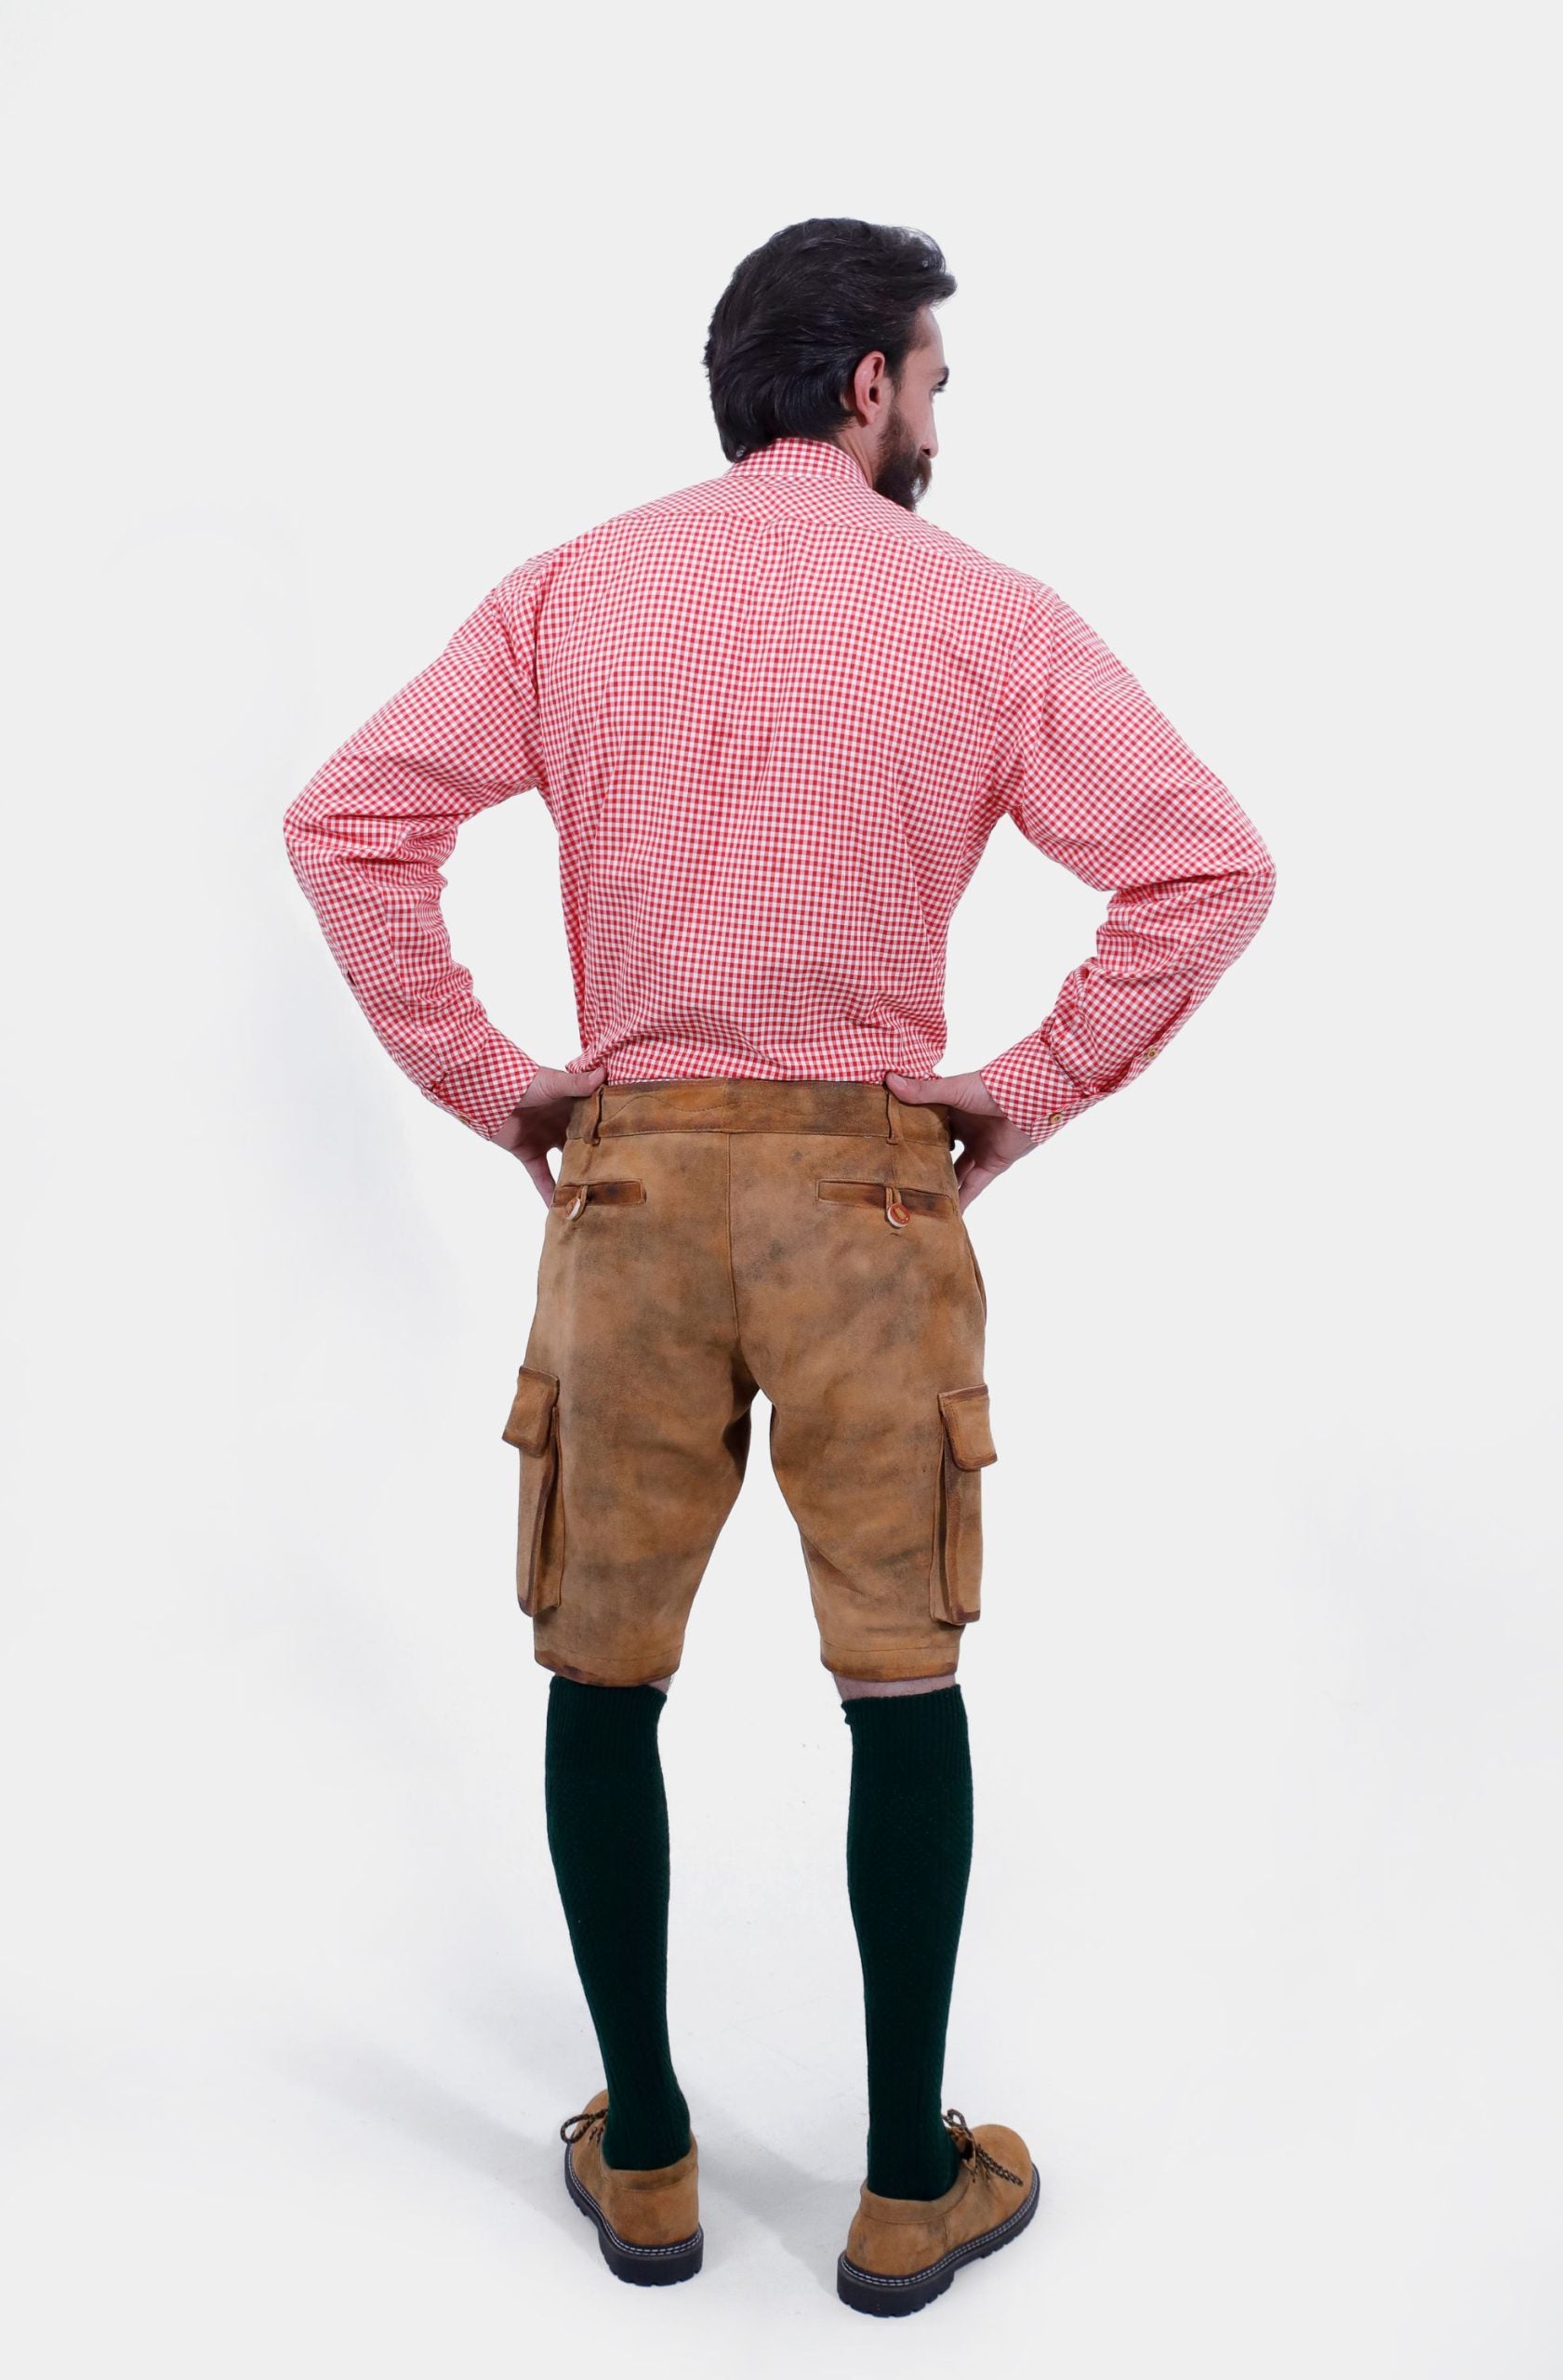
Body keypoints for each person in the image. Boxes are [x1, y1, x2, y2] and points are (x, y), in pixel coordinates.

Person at [282, 215, 1276, 2316]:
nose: (935, 415)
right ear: (859, 388)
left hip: (628, 1194)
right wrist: (1018, 1084)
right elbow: (1204, 861)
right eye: (931, 378)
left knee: (598, 1663)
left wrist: (497, 1082)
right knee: (899, 1669)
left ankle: (640, 2154)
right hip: (864, 1197)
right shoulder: (985, 616)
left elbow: (349, 817)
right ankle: (906, 2178)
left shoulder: (570, 589)